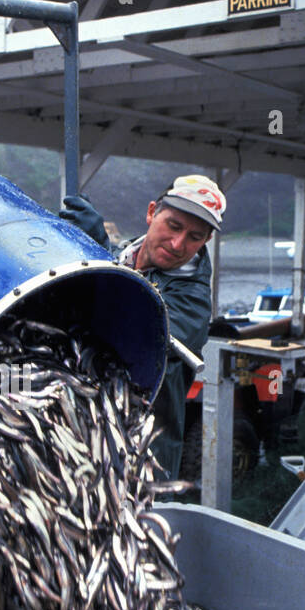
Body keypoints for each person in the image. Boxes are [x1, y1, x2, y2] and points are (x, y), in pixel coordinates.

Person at [61, 174, 226, 478]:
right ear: (152, 213)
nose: (178, 244)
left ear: (207, 241)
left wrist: (95, 251)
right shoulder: (123, 256)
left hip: (143, 458)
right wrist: (90, 249)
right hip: (82, 433)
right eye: (173, 226)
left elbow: (133, 335)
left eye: (195, 236)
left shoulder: (193, 298)